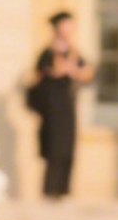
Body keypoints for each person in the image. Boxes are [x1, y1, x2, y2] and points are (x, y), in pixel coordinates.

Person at [27, 11, 94, 199]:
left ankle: (63, 191)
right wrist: (66, 67)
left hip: (67, 105)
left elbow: (87, 73)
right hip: (52, 106)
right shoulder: (49, 52)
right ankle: (50, 191)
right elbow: (48, 72)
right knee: (54, 148)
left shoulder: (73, 51)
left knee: (67, 148)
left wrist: (74, 69)